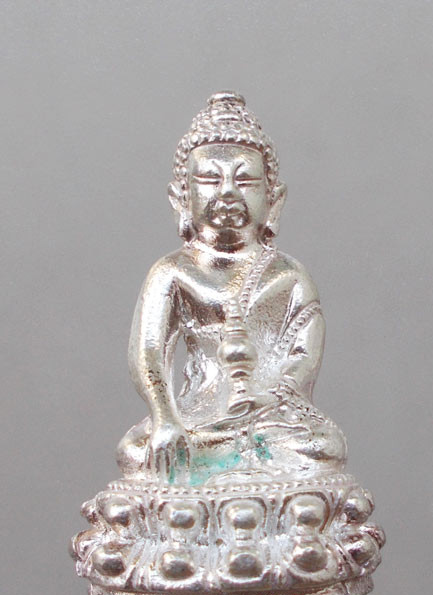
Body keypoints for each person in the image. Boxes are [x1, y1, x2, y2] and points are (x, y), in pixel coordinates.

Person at [116, 92, 346, 485]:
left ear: (274, 199)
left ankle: (237, 462)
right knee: (137, 451)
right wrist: (166, 418)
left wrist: (272, 396)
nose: (227, 193)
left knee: (322, 448)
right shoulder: (172, 273)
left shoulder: (288, 276)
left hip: (269, 417)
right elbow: (148, 355)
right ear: (181, 198)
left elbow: (304, 355)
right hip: (195, 415)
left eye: (245, 180)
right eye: (210, 179)